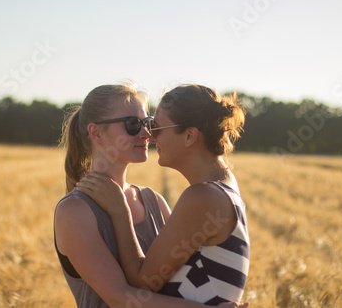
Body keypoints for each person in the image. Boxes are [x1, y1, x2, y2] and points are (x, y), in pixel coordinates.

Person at [54, 83, 248, 308]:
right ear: (96, 132)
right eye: (133, 124)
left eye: (149, 124)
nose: (147, 134)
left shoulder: (155, 202)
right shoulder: (75, 211)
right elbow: (120, 299)